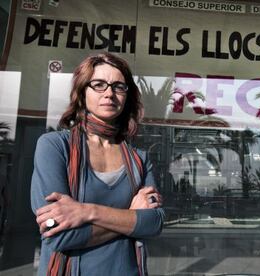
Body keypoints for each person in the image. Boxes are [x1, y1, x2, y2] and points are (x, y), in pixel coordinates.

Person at [31, 52, 164, 276]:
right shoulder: (54, 146)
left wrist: (86, 211)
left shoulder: (139, 159)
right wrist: (131, 216)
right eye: (99, 84)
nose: (109, 93)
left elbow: (154, 223)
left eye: (118, 86)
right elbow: (58, 233)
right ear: (82, 92)